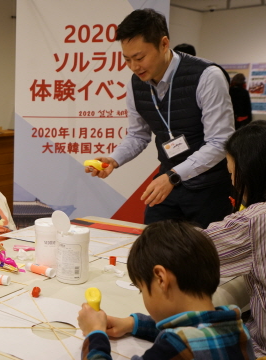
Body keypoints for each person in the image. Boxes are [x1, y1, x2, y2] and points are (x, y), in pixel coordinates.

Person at [85, 9, 234, 228]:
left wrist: (174, 176)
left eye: (139, 58)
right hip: (168, 180)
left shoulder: (207, 76)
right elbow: (138, 135)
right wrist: (114, 160)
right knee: (153, 242)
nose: (134, 67)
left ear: (164, 44)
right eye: (127, 59)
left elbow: (220, 141)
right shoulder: (136, 84)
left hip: (208, 186)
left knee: (204, 248)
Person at [78, 220, 257, 360]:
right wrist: (133, 323)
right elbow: (193, 328)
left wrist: (94, 334)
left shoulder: (182, 349)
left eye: (142, 290)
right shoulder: (237, 327)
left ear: (160, 279)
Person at [203, 120, 266, 357]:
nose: (232, 182)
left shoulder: (259, 220)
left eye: (232, 174)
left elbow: (190, 250)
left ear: (250, 172)